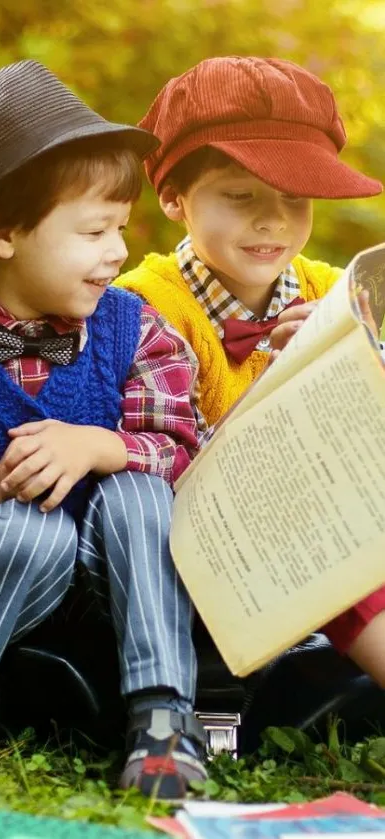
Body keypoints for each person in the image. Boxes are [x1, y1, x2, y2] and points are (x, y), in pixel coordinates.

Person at [116, 56, 385, 695]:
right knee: (333, 546)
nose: (273, 220)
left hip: (335, 527)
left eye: (296, 197)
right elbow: (148, 466)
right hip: (197, 554)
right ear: (174, 197)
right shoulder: (141, 306)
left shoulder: (330, 291)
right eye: (240, 196)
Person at [0, 59, 209, 800]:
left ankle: (162, 719)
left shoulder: (131, 327)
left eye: (120, 227)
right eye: (92, 230)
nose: (116, 250)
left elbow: (181, 447)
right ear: (3, 230)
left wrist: (101, 445)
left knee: (139, 491)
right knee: (27, 526)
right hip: (15, 575)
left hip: (125, 580)